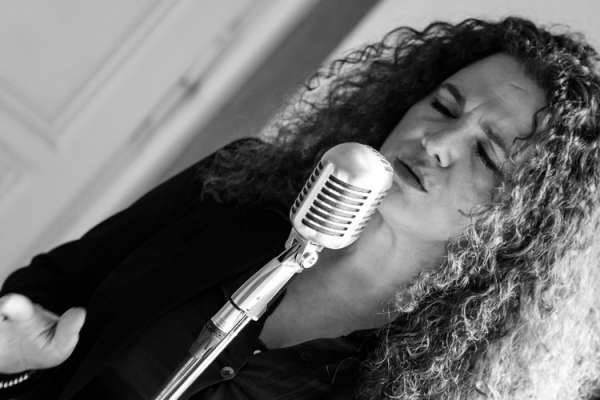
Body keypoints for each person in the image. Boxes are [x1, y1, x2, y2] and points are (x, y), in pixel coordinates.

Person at [0, 15, 599, 400]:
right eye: (443, 107)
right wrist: (13, 361)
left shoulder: (452, 380)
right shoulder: (233, 184)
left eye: (487, 155)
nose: (438, 143)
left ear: (526, 223)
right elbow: (46, 291)